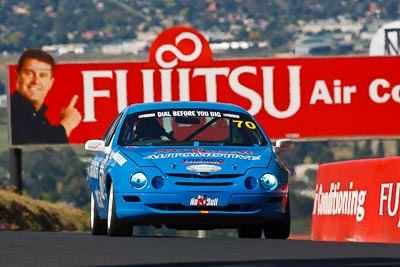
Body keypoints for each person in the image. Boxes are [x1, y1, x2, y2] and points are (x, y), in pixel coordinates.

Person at [10, 48, 82, 145]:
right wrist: (66, 125)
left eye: (42, 75)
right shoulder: (12, 114)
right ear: (17, 77)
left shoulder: (39, 117)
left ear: (51, 82)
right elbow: (35, 146)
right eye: (29, 74)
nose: (36, 81)